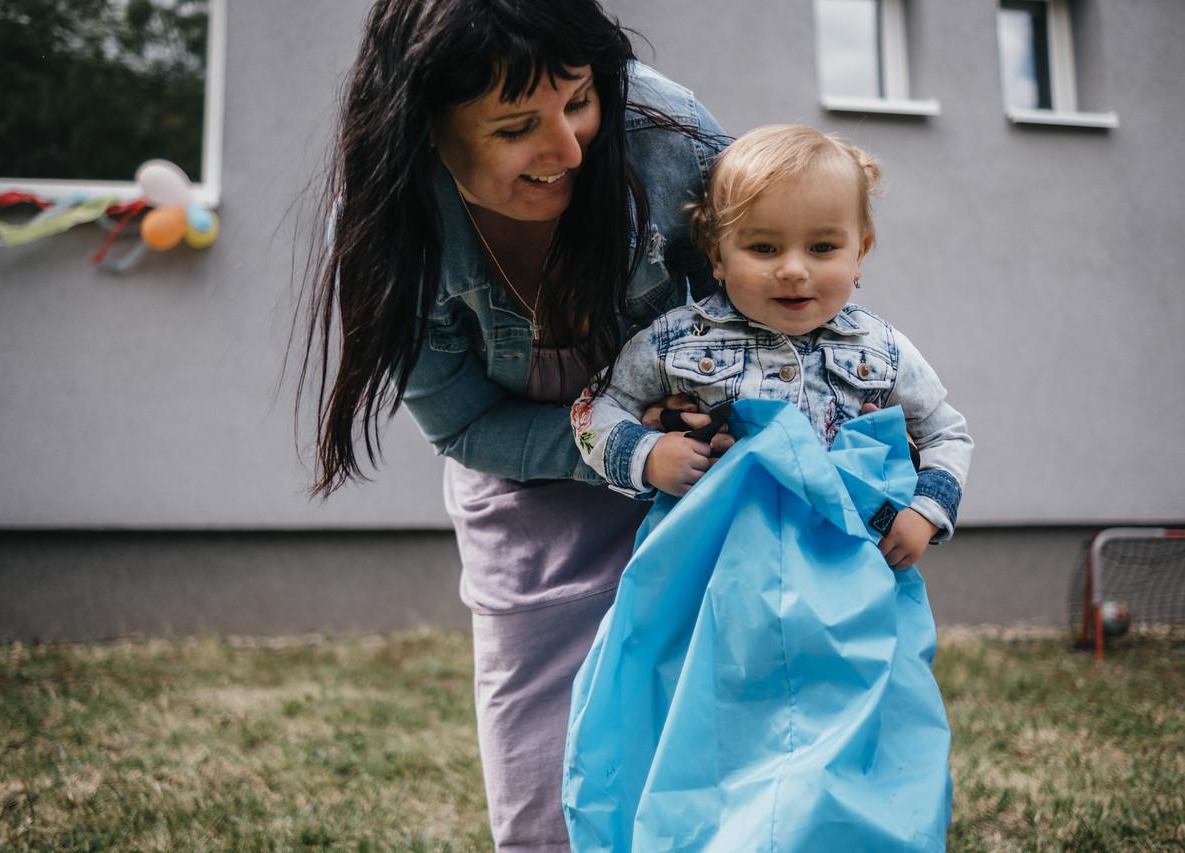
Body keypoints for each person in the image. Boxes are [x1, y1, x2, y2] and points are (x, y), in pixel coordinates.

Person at [297, 0, 728, 847]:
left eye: (579, 100)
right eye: (515, 127)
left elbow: (773, 289)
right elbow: (463, 425)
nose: (570, 148)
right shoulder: (401, 220)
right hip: (525, 493)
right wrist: (624, 448)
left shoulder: (666, 133)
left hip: (692, 474)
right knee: (542, 780)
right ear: (427, 126)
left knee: (699, 741)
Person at [572, 124, 973, 566]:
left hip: (844, 571)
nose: (794, 270)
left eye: (822, 247)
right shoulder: (677, 340)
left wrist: (925, 512)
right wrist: (646, 455)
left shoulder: (878, 348)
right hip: (712, 571)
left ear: (859, 253)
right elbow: (594, 410)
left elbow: (945, 433)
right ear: (718, 256)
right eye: (764, 247)